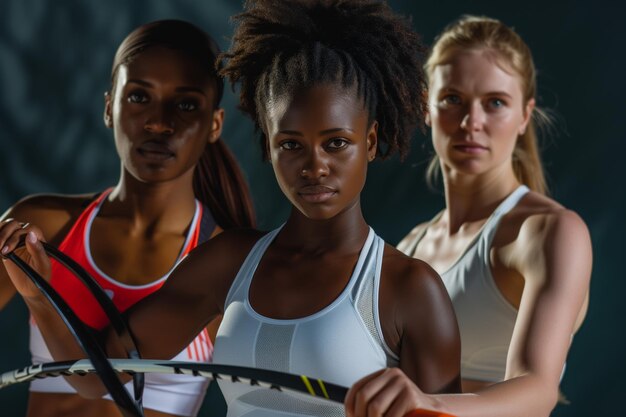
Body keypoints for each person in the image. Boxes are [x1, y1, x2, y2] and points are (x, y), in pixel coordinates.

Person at [1, 1, 461, 416]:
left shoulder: (410, 290)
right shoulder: (228, 262)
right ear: (269, 147)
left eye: (336, 143)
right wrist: (40, 294)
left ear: (371, 142)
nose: (315, 167)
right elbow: (95, 380)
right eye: (291, 145)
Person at [0, 19, 255, 417]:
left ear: (215, 124)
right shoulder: (41, 226)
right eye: (139, 97)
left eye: (186, 104)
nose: (158, 122)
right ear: (108, 107)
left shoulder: (226, 265)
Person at [351, 15, 590, 417]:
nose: (470, 122)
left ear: (524, 115)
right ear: (426, 107)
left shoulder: (550, 232)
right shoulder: (412, 245)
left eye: (495, 103)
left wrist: (428, 402)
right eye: (453, 99)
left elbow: (537, 391)